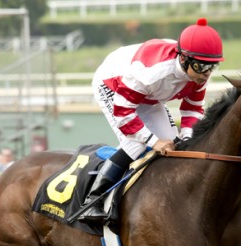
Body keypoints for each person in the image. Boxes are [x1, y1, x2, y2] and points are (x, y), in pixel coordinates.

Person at [79, 18, 224, 222]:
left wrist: (188, 135)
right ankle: (92, 200)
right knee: (135, 144)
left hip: (147, 94)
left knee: (175, 145)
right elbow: (124, 113)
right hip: (114, 84)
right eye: (201, 67)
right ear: (184, 59)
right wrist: (153, 141)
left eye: (212, 67)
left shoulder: (199, 73)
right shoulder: (153, 73)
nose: (206, 74)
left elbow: (192, 109)